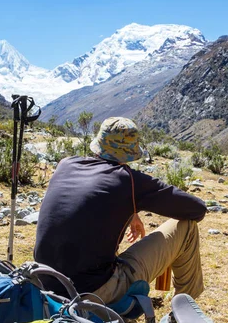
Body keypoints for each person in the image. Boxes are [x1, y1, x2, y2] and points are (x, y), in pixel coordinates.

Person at [34, 117, 206, 304]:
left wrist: (131, 211)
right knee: (187, 228)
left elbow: (92, 197)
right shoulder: (129, 181)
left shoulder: (66, 164)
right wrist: (136, 200)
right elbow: (197, 209)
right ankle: (184, 313)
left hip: (43, 284)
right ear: (131, 153)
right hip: (91, 291)